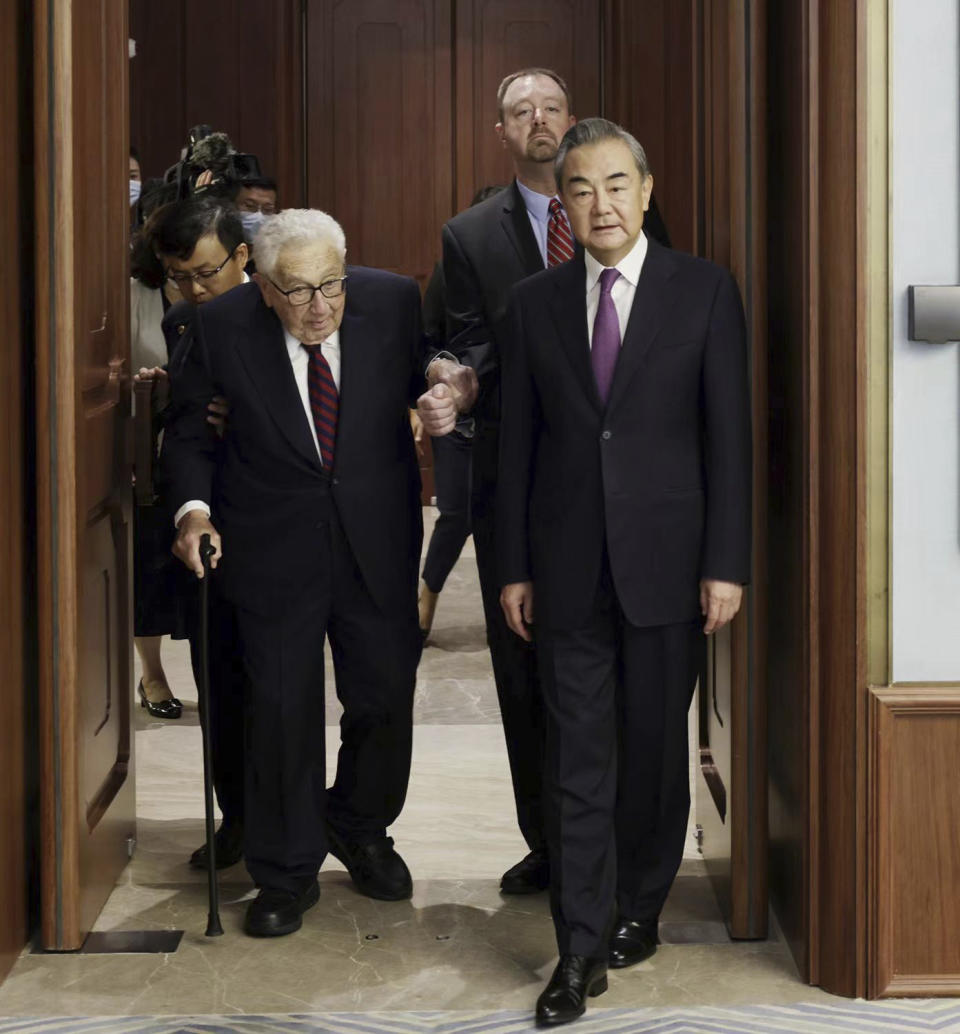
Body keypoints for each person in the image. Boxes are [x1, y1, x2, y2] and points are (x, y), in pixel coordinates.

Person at [497, 118, 752, 1025]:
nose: (600, 204)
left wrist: (726, 563)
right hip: (565, 571)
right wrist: (515, 567)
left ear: (646, 192)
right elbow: (515, 450)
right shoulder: (532, 303)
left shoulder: (705, 293)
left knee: (650, 753)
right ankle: (577, 946)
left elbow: (729, 441)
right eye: (580, 189)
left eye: (615, 185)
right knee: (576, 755)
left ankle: (639, 906)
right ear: (561, 204)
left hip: (669, 570)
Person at [162, 209, 426, 938]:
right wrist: (193, 512)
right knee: (280, 709)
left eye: (331, 287)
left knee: (383, 696)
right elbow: (187, 430)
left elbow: (430, 371)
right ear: (263, 285)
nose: (319, 308)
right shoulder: (218, 328)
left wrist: (443, 389)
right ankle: (286, 871)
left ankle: (359, 826)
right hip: (268, 545)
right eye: (298, 291)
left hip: (376, 538)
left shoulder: (396, 300)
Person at [417, 67, 577, 897]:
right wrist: (463, 380)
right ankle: (545, 841)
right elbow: (463, 339)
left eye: (551, 107)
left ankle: (600, 843)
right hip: (511, 474)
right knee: (519, 666)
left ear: (571, 118)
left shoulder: (618, 207)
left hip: (608, 477)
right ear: (502, 133)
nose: (538, 120)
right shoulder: (471, 233)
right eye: (521, 111)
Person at [146, 196, 251, 870]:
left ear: (242, 257)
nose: (194, 289)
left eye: (207, 273)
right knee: (219, 686)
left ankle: (315, 822)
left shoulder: (283, 307)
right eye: (180, 276)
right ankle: (237, 819)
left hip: (282, 525)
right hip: (208, 532)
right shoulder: (183, 323)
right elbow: (186, 428)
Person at [417, 184, 505, 638]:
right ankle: (427, 595)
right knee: (456, 514)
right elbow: (426, 344)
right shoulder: (448, 273)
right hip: (455, 417)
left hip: (503, 417)